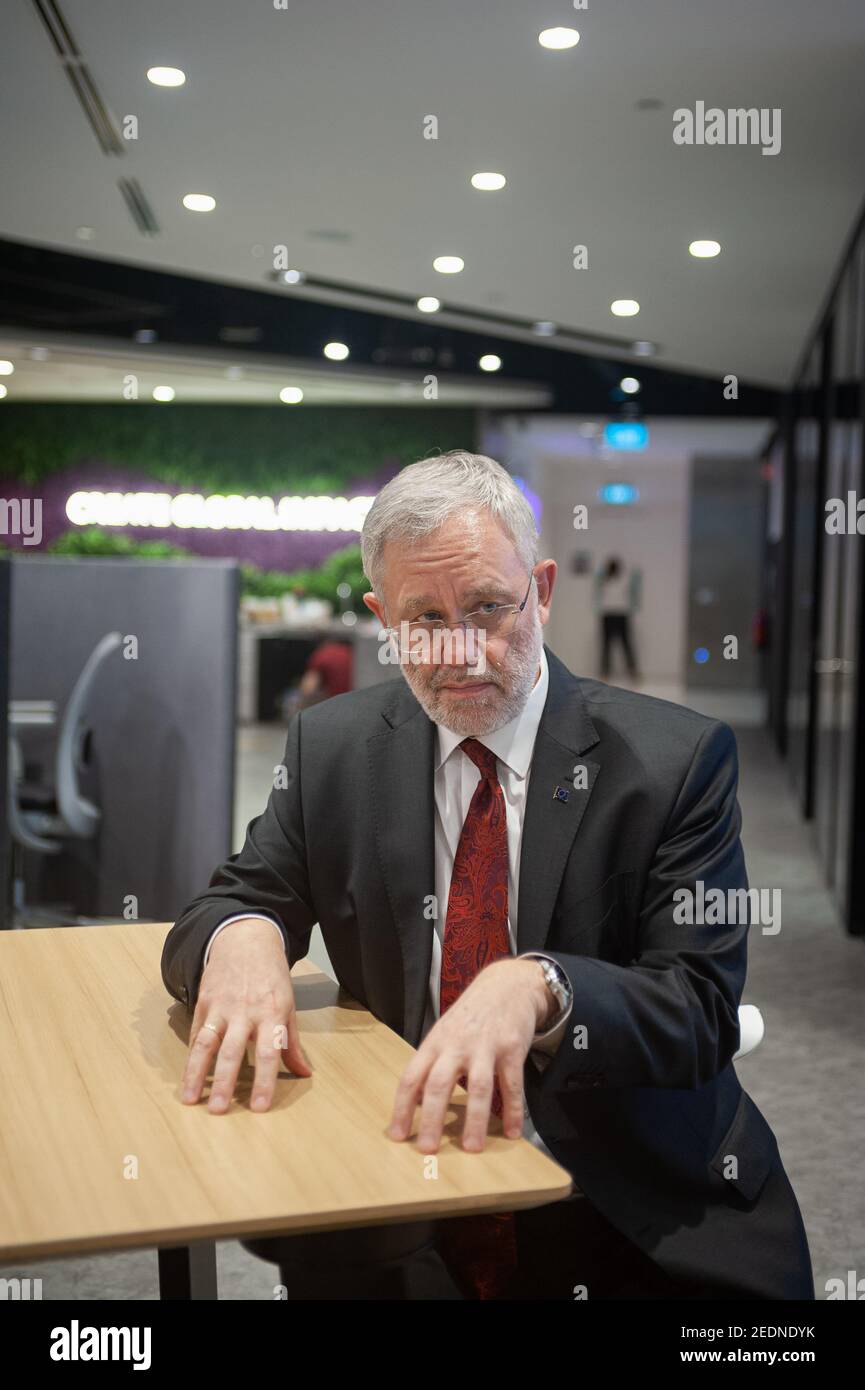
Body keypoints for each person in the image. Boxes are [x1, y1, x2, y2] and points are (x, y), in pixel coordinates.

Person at [161, 450, 814, 1301]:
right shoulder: (333, 750)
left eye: (487, 608)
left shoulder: (672, 761)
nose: (461, 650)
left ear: (541, 591)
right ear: (381, 620)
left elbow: (697, 1007)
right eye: (423, 619)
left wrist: (539, 986)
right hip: (404, 1177)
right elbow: (234, 898)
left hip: (623, 1201)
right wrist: (242, 939)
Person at [594, 555, 641, 679]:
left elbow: (635, 576)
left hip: (621, 614)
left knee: (626, 644)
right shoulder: (603, 580)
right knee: (606, 645)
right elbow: (596, 577)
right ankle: (605, 672)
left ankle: (633, 672)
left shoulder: (624, 579)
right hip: (608, 614)